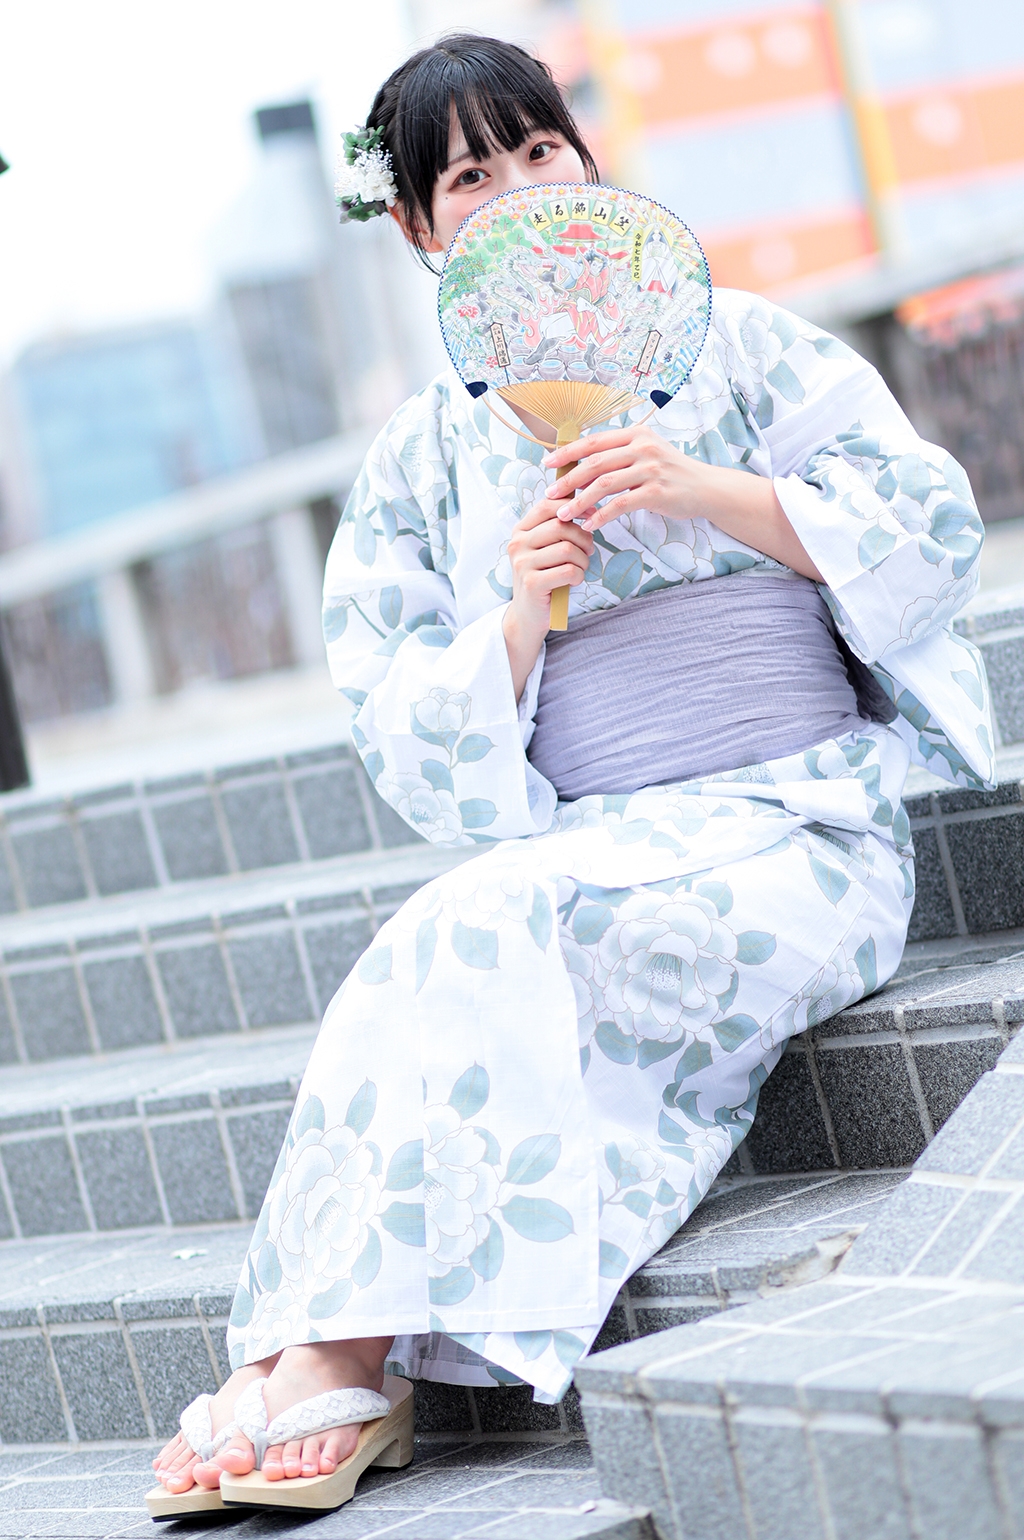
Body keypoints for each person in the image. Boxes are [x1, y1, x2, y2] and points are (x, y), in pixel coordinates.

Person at [150, 32, 993, 1513]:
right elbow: (399, 706)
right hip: (603, 836)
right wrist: (521, 614)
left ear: (589, 160)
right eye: (472, 177)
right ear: (417, 230)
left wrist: (704, 489)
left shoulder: (743, 343)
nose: (522, 188)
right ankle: (304, 1356)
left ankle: (338, 1357)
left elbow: (927, 521)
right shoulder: (418, 460)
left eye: (540, 149)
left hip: (798, 819)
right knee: (435, 937)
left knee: (491, 923)